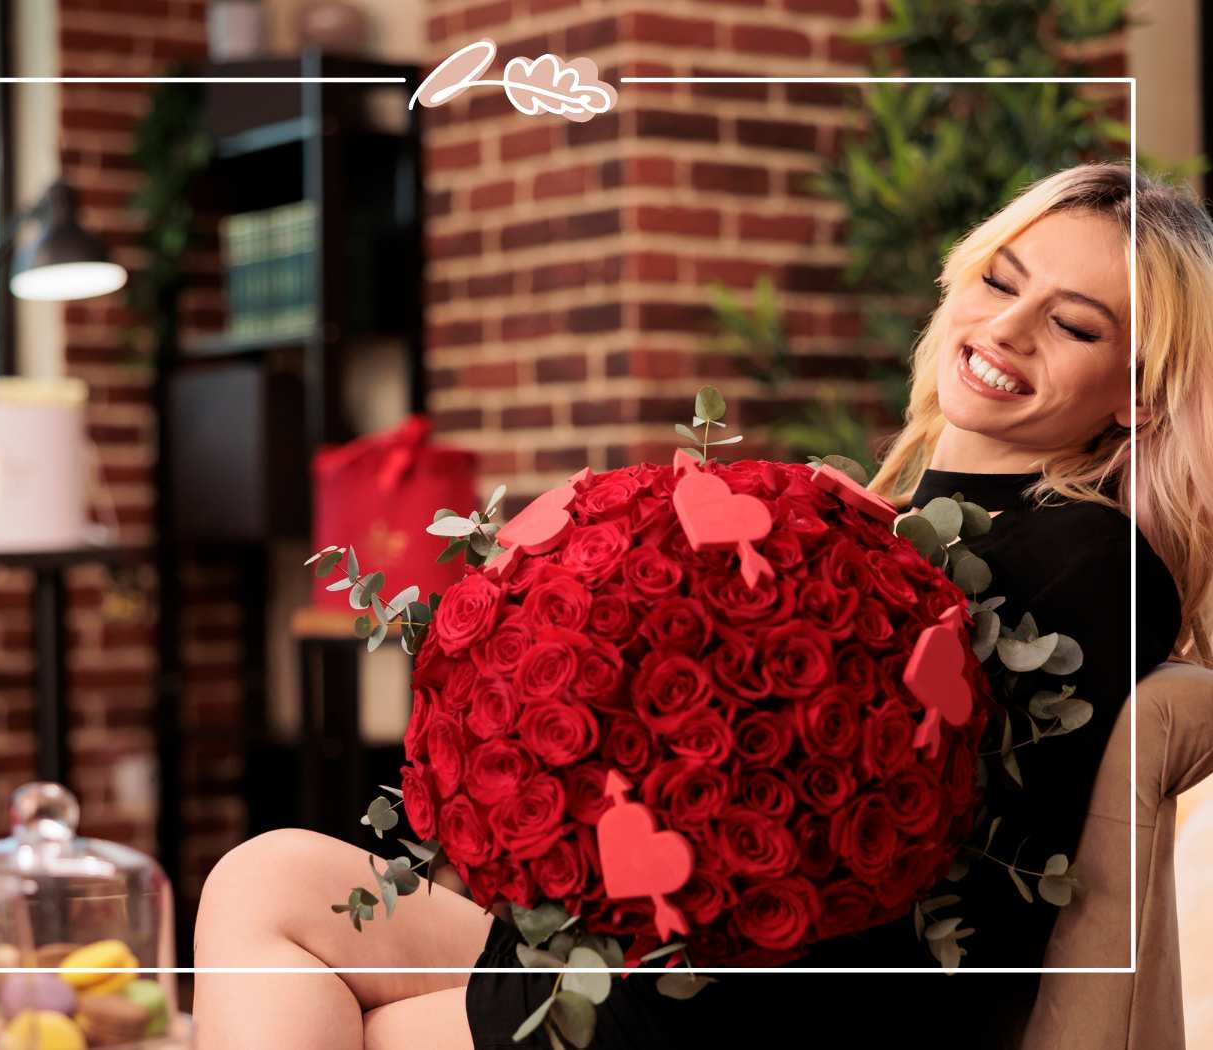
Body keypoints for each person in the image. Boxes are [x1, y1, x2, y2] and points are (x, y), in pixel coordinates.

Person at [191, 162, 1213, 1050]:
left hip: (786, 1002)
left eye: (1071, 325)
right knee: (264, 877)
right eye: (999, 280)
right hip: (678, 954)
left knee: (357, 1024)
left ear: (1134, 394)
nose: (1005, 328)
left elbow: (916, 856)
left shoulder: (1090, 559)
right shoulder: (886, 518)